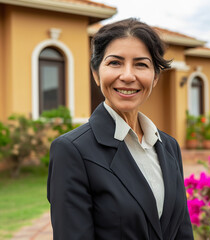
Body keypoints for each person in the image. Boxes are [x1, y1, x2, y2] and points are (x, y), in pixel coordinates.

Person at [47, 18, 194, 240]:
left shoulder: (168, 146)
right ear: (96, 74)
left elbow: (182, 230)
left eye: (141, 64)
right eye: (115, 63)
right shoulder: (71, 151)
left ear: (155, 77)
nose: (127, 76)